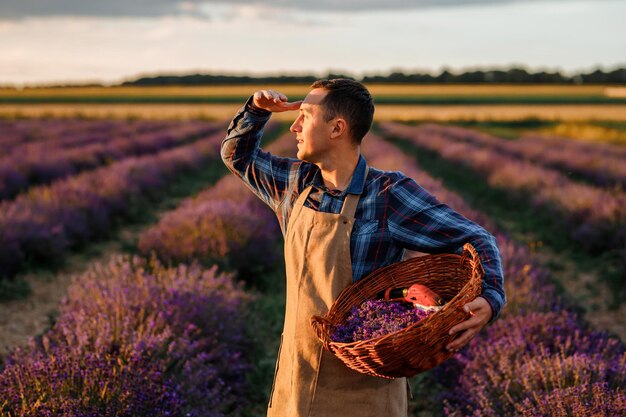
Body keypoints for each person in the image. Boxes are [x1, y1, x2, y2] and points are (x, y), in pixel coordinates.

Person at [221, 79, 506, 417]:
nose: (295, 126)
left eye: (306, 117)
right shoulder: (294, 185)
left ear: (337, 128)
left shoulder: (388, 195)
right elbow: (236, 155)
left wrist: (490, 297)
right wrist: (256, 110)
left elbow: (476, 238)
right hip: (296, 383)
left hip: (365, 393)